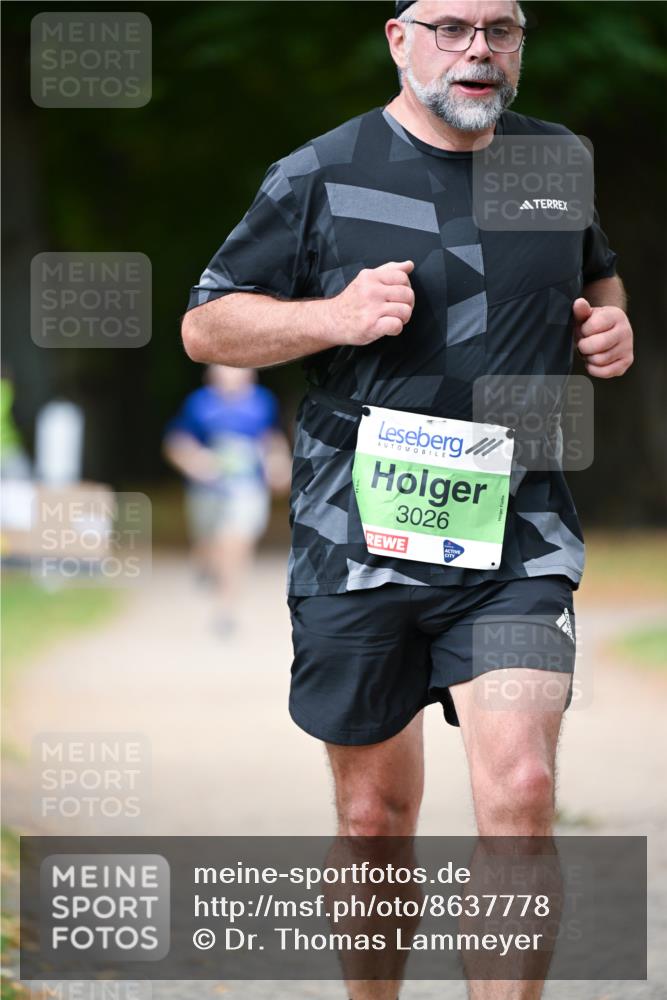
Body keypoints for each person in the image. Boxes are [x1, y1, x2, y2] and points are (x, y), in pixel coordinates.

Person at [180, 2, 634, 996]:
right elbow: (208, 328)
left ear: (520, 42)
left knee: (520, 789)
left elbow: (596, 279)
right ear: (399, 38)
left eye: (501, 28)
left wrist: (608, 328)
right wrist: (333, 315)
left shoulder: (554, 161)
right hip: (357, 541)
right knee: (372, 820)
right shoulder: (320, 172)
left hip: (516, 540)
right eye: (450, 27)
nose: (478, 49)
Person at [163, 365, 291, 633]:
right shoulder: (199, 404)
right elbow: (177, 441)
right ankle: (205, 562)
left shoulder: (262, 402)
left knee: (235, 543)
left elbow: (271, 439)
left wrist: (277, 463)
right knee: (210, 544)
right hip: (208, 490)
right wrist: (194, 462)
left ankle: (225, 610)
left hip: (247, 488)